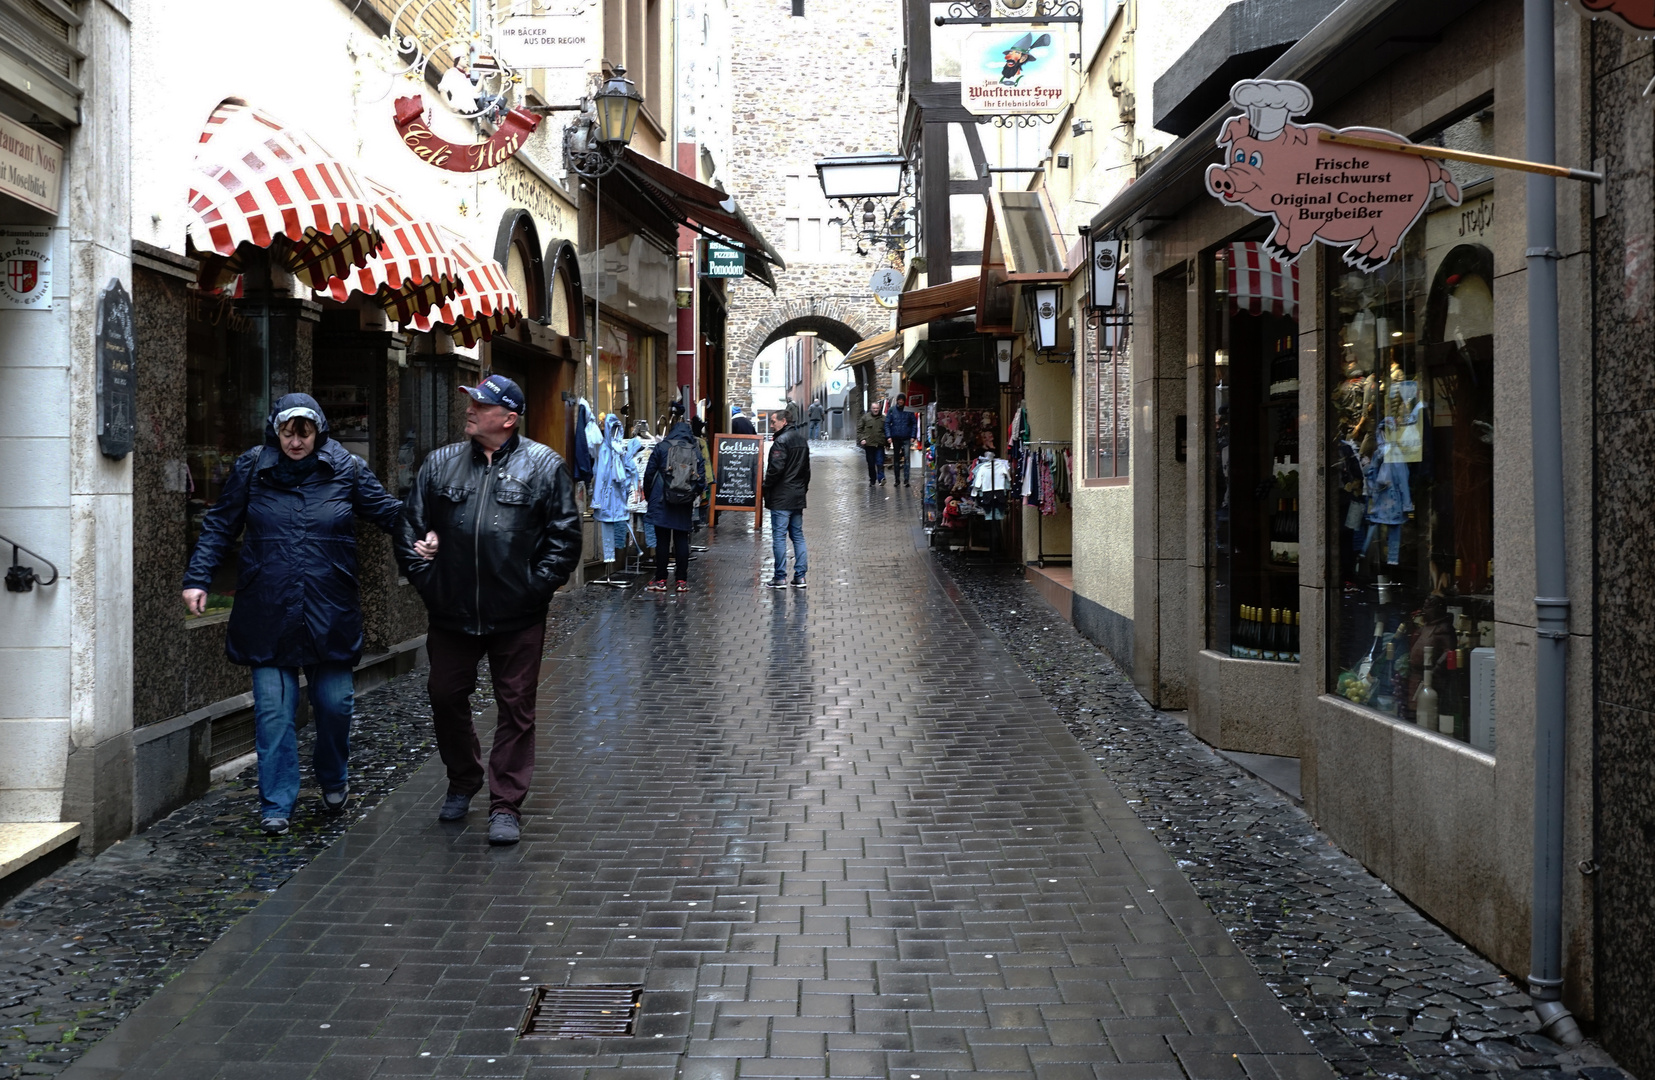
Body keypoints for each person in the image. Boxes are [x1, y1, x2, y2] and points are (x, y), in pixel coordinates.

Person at [183, 394, 414, 836]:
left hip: (329, 608)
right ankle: (276, 802)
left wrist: (426, 529)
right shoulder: (252, 468)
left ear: (318, 430)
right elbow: (220, 525)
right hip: (268, 608)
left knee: (335, 705)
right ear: (275, 430)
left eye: (303, 431)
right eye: (287, 431)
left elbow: (387, 512)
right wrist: (198, 578)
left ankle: (333, 776)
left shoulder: (345, 468)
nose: (295, 441)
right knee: (274, 713)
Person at [402, 376, 581, 846]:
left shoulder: (544, 466)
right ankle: (463, 779)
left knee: (516, 709)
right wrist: (430, 583)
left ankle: (505, 805)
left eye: (481, 404)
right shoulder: (439, 464)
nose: (471, 409)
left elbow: (564, 538)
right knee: (444, 697)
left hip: (517, 616)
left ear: (508, 418)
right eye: (470, 401)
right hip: (451, 612)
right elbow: (410, 527)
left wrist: (533, 589)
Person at [642, 401, 706, 593]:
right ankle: (681, 581)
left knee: (662, 541)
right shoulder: (694, 450)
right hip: (684, 501)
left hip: (661, 499)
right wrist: (693, 494)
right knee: (681, 539)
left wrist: (648, 495)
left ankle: (660, 580)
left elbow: (649, 473)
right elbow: (701, 478)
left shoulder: (662, 447)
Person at [764, 403, 811, 589]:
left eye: (773, 421)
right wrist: (802, 490)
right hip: (797, 496)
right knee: (798, 536)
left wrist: (766, 486)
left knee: (779, 536)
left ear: (784, 421)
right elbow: (807, 471)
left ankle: (780, 577)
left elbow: (775, 469)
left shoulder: (781, 442)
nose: (771, 425)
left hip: (782, 497)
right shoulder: (801, 440)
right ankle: (800, 577)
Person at [590, 413, 635, 585]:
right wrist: (597, 500)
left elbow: (627, 471)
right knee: (608, 529)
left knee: (618, 528)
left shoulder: (619, 449)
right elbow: (601, 475)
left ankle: (614, 563)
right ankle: (608, 563)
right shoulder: (606, 451)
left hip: (618, 498)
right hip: (608, 498)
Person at [884, 394, 919, 487]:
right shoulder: (892, 410)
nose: (900, 402)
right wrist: (888, 436)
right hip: (896, 438)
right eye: (899, 400)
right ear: (897, 401)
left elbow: (914, 423)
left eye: (902, 400)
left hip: (906, 437)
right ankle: (897, 480)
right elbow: (887, 423)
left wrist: (913, 436)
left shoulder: (909, 410)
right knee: (896, 459)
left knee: (907, 458)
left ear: (904, 401)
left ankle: (906, 480)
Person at [856, 401, 887, 486]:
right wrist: (862, 439)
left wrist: (887, 441)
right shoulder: (865, 418)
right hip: (869, 445)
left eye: (877, 408)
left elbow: (887, 430)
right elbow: (859, 430)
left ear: (879, 408)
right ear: (871, 409)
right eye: (874, 408)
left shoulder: (883, 418)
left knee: (880, 462)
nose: (875, 410)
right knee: (871, 463)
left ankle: (881, 479)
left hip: (879, 444)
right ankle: (872, 480)